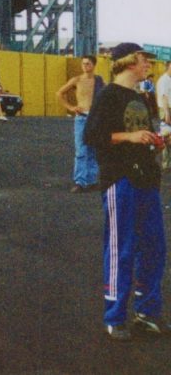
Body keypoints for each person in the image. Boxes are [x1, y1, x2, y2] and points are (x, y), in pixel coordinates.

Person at [83, 43, 165, 341]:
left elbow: (138, 132)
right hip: (121, 180)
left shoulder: (141, 97)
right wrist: (130, 136)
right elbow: (91, 135)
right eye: (144, 59)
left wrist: (154, 140)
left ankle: (146, 312)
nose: (148, 64)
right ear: (130, 62)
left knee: (155, 246)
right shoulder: (108, 95)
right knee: (122, 248)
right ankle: (114, 316)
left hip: (146, 179)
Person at [56, 55, 106, 193]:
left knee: (94, 150)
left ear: (94, 65)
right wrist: (71, 107)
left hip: (95, 119)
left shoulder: (99, 81)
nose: (85, 66)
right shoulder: (76, 80)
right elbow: (59, 93)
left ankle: (92, 180)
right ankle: (80, 181)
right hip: (82, 117)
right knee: (81, 150)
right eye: (83, 63)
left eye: (88, 63)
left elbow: (107, 97)